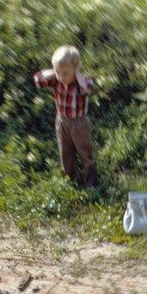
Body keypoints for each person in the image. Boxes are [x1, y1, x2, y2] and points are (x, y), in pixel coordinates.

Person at [33, 45, 97, 188]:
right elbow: (38, 79)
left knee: (85, 153)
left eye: (65, 73)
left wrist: (78, 72)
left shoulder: (82, 82)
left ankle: (90, 183)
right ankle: (70, 180)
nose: (61, 77)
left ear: (75, 70)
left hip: (79, 123)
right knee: (65, 152)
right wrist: (55, 71)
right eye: (58, 72)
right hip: (62, 121)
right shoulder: (57, 80)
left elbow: (87, 89)